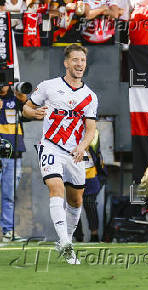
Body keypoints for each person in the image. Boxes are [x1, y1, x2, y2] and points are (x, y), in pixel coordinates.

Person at [23, 44, 98, 264]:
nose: (79, 64)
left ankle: (68, 239)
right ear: (66, 63)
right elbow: (26, 107)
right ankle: (65, 243)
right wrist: (33, 112)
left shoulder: (90, 96)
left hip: (75, 152)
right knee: (55, 187)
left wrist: (82, 146)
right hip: (50, 146)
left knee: (76, 201)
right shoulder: (49, 86)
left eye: (82, 60)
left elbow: (91, 128)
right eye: (75, 60)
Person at [0, 85, 27, 242]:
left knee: (9, 196)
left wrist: (24, 99)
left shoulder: (17, 96)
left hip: (13, 153)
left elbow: (30, 113)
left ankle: (8, 231)